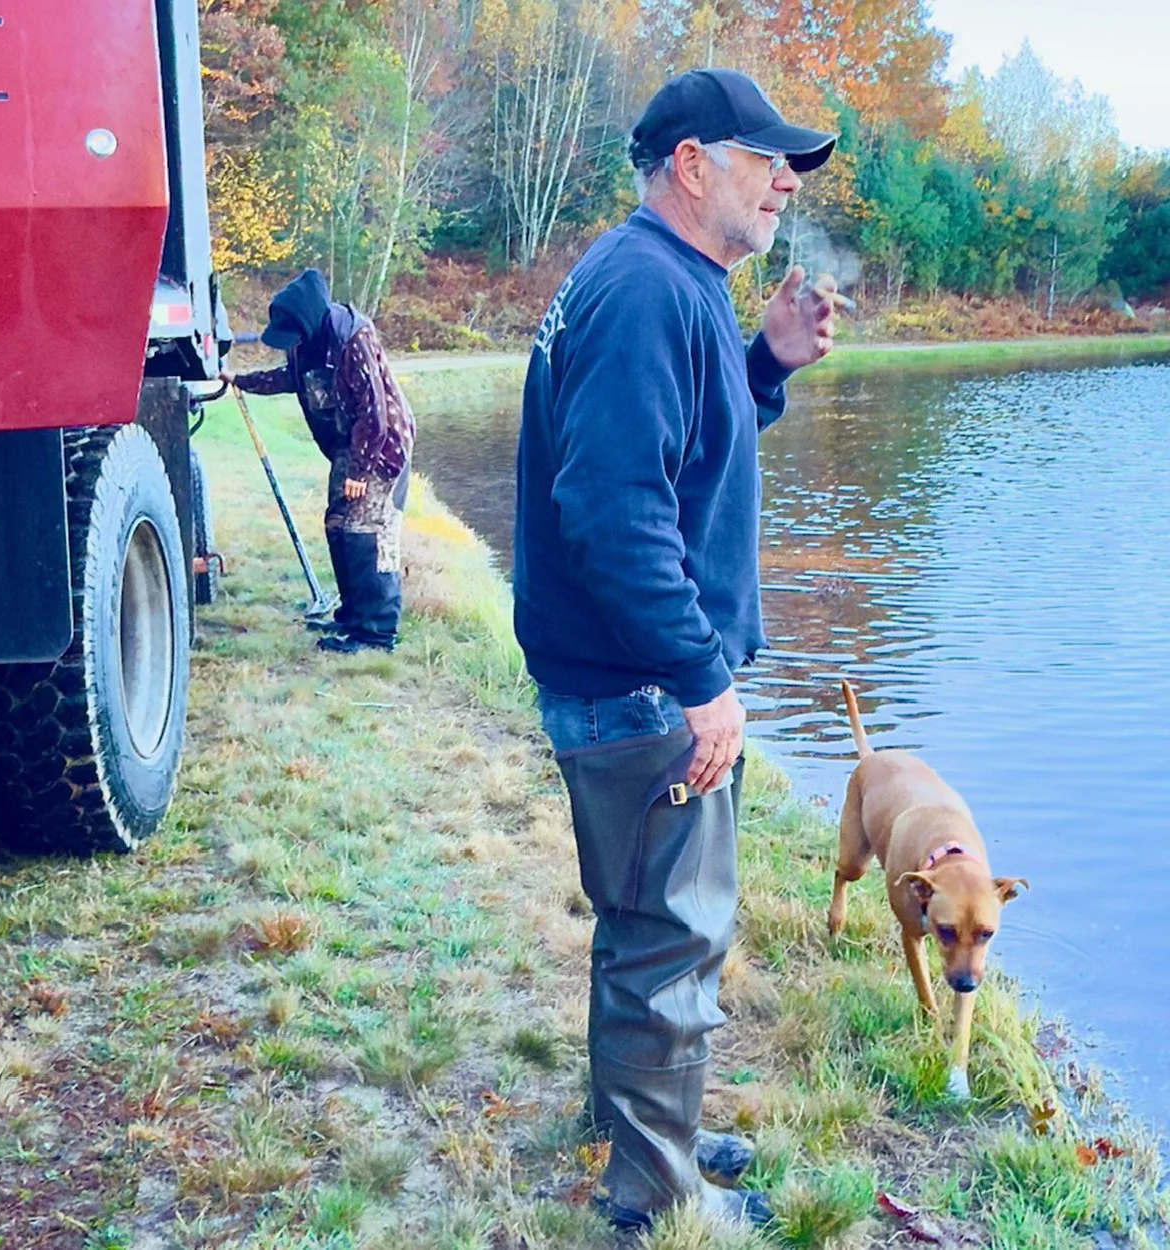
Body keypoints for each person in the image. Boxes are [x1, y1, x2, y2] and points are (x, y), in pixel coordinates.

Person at [511, 68, 839, 1232]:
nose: (785, 182)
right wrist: (701, 681)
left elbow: (680, 441)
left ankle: (635, 1122)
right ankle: (657, 1199)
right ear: (692, 165)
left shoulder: (665, 279)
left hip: (619, 677)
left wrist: (762, 364)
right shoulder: (646, 290)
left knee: (640, 920)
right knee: (672, 938)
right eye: (766, 160)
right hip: (640, 686)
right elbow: (610, 506)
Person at [227, 270, 415, 653]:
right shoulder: (303, 343)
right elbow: (289, 378)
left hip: (382, 447)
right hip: (349, 445)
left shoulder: (353, 337)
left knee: (367, 533)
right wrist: (239, 380)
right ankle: (352, 618)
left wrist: (360, 472)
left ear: (307, 321)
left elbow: (374, 412)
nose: (288, 343)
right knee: (338, 527)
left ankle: (376, 634)